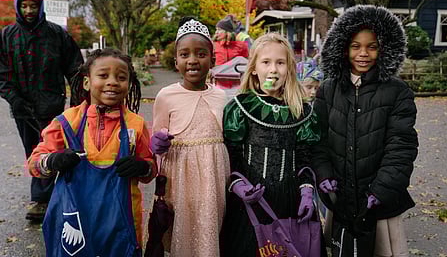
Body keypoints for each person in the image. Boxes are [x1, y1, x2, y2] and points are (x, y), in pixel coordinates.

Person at [28, 48, 157, 255]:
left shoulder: (136, 125)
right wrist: (52, 161)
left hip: (121, 224)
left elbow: (150, 170)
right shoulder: (67, 122)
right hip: (75, 221)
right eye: (103, 75)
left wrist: (143, 167)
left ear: (129, 84)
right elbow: (34, 164)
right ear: (87, 82)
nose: (113, 82)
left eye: (121, 77)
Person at [313, 5, 418, 256]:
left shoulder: (397, 92)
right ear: (343, 48)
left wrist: (381, 189)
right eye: (355, 46)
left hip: (379, 202)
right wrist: (323, 173)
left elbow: (401, 146)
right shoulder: (328, 89)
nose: (363, 54)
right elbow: (317, 139)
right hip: (340, 197)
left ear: (383, 49)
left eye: (372, 46)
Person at [221, 32, 322, 256]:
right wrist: (238, 184)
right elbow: (232, 154)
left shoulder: (302, 110)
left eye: (280, 63)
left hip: (291, 201)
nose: (273, 70)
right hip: (251, 201)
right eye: (266, 62)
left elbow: (306, 156)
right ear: (254, 68)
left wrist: (307, 191)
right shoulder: (240, 107)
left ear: (290, 69)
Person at [0, 0, 83, 221]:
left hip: (52, 105)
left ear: (40, 7)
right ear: (17, 7)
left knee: (55, 147)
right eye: (24, 6)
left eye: (33, 6)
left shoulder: (57, 35)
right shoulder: (7, 37)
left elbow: (75, 67)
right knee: (33, 150)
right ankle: (41, 198)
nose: (28, 10)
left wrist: (77, 100)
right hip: (23, 108)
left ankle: (47, 197)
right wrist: (14, 99)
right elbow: (2, 73)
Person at [150, 17, 230, 256]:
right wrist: (158, 144)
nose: (193, 60)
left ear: (213, 59)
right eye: (185, 55)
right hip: (181, 178)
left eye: (201, 54)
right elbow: (157, 141)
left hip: (214, 177)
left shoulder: (222, 97)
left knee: (210, 227)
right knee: (183, 231)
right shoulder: (166, 96)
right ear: (176, 62)